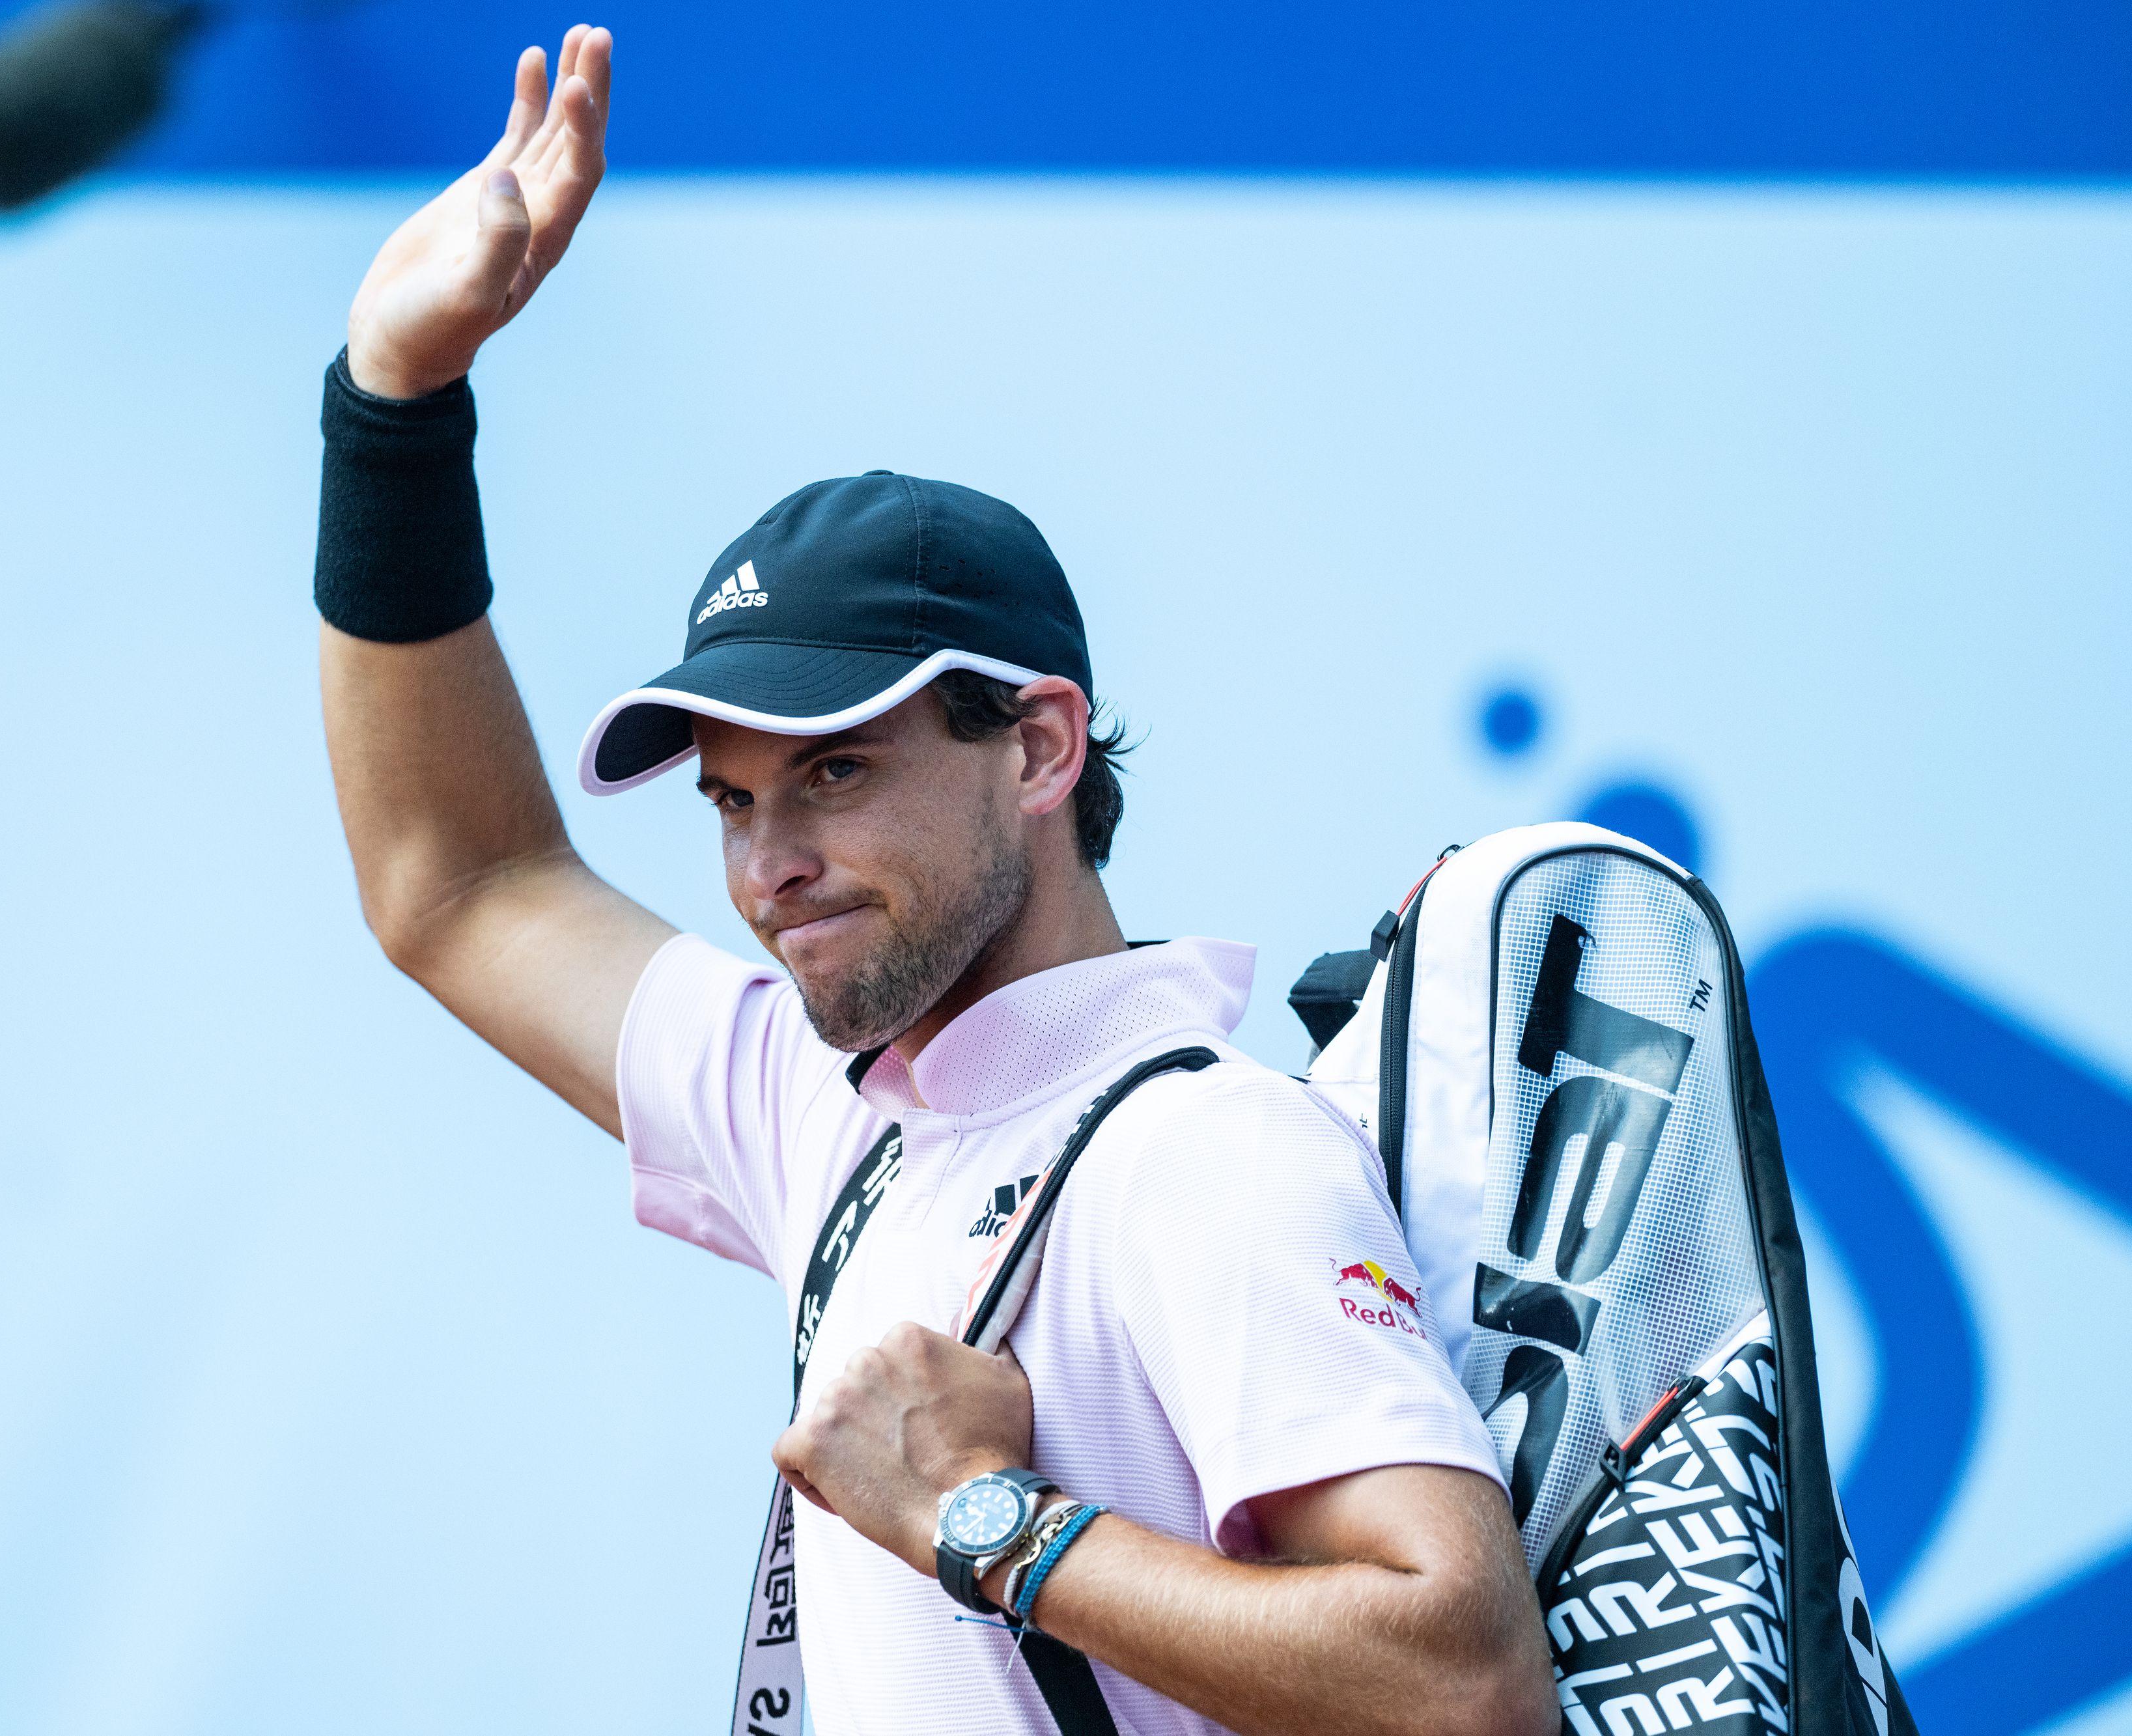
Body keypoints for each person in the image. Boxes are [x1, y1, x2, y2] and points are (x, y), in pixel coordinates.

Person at [313, 25, 1558, 1736]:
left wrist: (985, 1519)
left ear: (1040, 750)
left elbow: (1468, 1680)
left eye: (833, 770)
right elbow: (454, 880)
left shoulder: (1208, 1152)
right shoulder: (834, 1116)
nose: (770, 864)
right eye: (734, 799)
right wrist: (392, 403)